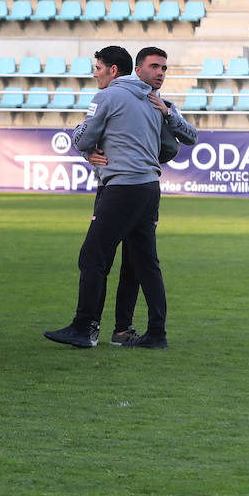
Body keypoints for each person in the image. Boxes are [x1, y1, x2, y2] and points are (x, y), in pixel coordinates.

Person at [46, 46, 170, 350]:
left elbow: (84, 138)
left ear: (113, 70)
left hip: (122, 187)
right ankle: (156, 333)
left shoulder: (107, 96)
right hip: (149, 187)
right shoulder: (153, 100)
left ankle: (84, 327)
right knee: (144, 263)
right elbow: (171, 148)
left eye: (98, 67)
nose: (95, 73)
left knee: (92, 257)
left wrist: (86, 142)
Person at [83, 47, 197, 344]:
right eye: (155, 66)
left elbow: (191, 137)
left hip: (124, 188)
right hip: (133, 188)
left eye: (164, 68)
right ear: (138, 69)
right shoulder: (128, 100)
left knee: (112, 261)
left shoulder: (161, 104)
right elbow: (94, 138)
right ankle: (122, 330)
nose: (160, 72)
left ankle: (99, 328)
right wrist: (89, 153)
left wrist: (169, 113)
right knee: (132, 262)